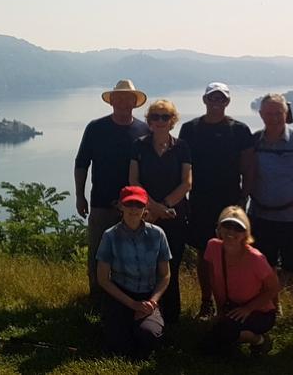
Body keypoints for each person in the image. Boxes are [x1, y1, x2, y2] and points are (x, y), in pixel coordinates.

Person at [177, 82, 254, 319]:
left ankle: (231, 303)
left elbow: (248, 168)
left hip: (230, 201)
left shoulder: (239, 130)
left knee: (234, 251)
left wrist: (244, 199)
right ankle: (206, 301)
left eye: (221, 99)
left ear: (227, 102)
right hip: (200, 198)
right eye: (212, 98)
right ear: (205, 100)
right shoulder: (190, 129)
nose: (216, 103)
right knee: (204, 251)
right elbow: (183, 165)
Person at [76, 79, 150, 306]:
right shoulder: (96, 128)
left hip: (134, 207)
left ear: (134, 102)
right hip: (101, 202)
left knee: (129, 254)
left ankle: (124, 299)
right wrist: (80, 195)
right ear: (112, 101)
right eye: (119, 97)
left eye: (128, 98)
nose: (123, 102)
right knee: (98, 252)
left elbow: (149, 169)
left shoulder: (144, 130)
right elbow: (81, 163)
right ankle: (96, 298)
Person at [248, 94, 293, 311]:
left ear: (286, 114)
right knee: (265, 269)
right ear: (261, 115)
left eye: (279, 113)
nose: (274, 118)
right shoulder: (255, 140)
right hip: (261, 216)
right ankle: (271, 313)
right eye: (269, 113)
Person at [128, 99, 191, 324]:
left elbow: (186, 183)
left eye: (165, 117)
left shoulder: (182, 147)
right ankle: (147, 313)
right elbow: (133, 180)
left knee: (170, 268)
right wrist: (153, 208)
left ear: (172, 121)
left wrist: (164, 206)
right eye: (155, 116)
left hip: (174, 217)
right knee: (146, 267)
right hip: (146, 215)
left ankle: (171, 318)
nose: (160, 121)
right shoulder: (139, 145)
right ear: (149, 121)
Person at [96, 186, 171, 358]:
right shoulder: (110, 236)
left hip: (148, 296)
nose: (133, 209)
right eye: (129, 204)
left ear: (145, 208)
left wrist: (152, 302)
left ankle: (143, 325)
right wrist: (132, 304)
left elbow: (165, 275)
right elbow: (103, 279)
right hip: (120, 295)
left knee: (148, 336)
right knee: (119, 346)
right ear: (120, 206)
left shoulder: (158, 235)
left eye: (138, 205)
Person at [200, 206, 280, 356]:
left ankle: (259, 340)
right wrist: (220, 311)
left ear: (245, 233)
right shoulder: (213, 246)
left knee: (225, 334)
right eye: (227, 226)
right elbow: (215, 282)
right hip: (232, 308)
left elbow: (273, 288)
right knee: (208, 346)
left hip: (259, 311)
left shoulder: (256, 258)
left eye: (238, 228)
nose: (231, 232)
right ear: (219, 228)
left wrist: (248, 308)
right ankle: (232, 337)